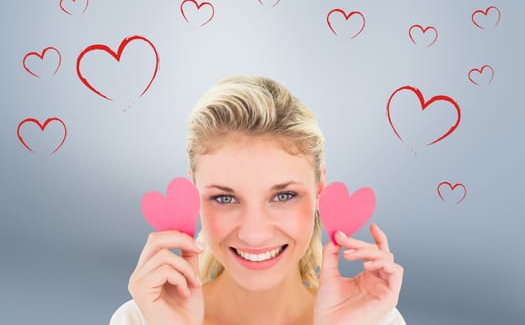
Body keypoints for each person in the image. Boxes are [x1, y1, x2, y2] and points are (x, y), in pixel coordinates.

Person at [110, 75, 406, 324]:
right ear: (194, 194)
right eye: (225, 198)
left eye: (284, 196)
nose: (254, 234)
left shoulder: (373, 319)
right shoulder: (144, 318)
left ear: (319, 189)